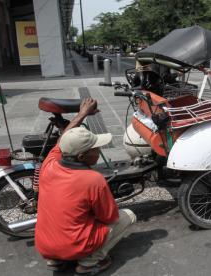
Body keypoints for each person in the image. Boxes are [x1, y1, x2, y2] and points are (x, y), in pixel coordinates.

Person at [35, 98, 136, 275]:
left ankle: (56, 260)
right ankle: (88, 263)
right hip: (74, 246)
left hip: (44, 246)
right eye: (95, 148)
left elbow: (65, 137)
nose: (99, 150)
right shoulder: (93, 180)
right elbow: (109, 217)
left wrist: (82, 114)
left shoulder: (49, 164)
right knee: (128, 216)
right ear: (82, 157)